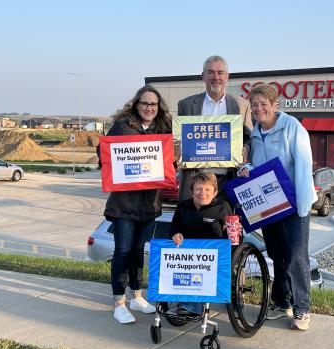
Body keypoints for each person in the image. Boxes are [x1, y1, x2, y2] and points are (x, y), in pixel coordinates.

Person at [238, 84, 317, 331]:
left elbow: (304, 166)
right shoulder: (256, 134)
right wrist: (246, 169)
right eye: (254, 105)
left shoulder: (292, 127)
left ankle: (302, 310)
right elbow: (260, 169)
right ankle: (282, 302)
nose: (259, 108)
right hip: (270, 206)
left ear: (275, 105)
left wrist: (303, 207)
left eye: (264, 104)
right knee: (277, 255)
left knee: (296, 257)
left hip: (295, 205)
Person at [103, 85, 172, 324]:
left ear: (158, 107)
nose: (149, 108)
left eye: (153, 104)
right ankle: (119, 303)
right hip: (124, 203)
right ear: (136, 104)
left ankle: (136, 296)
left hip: (149, 204)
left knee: (138, 250)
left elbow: (169, 161)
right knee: (122, 251)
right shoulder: (122, 128)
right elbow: (105, 159)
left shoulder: (163, 129)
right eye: (144, 103)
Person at [177, 55, 253, 201]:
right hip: (195, 181)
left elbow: (249, 138)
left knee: (225, 223)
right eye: (210, 72)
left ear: (227, 76)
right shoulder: (186, 105)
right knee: (192, 224)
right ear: (203, 76)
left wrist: (245, 148)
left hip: (227, 180)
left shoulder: (241, 105)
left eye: (220, 73)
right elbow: (179, 141)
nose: (215, 77)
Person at [170, 172, 233, 316]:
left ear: (215, 192)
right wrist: (176, 234)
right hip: (187, 256)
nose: (202, 193)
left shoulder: (223, 207)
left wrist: (229, 232)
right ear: (191, 191)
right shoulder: (183, 207)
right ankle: (186, 304)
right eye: (198, 189)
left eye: (207, 189)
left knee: (199, 270)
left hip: (214, 257)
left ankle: (191, 307)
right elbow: (174, 228)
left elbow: (235, 239)